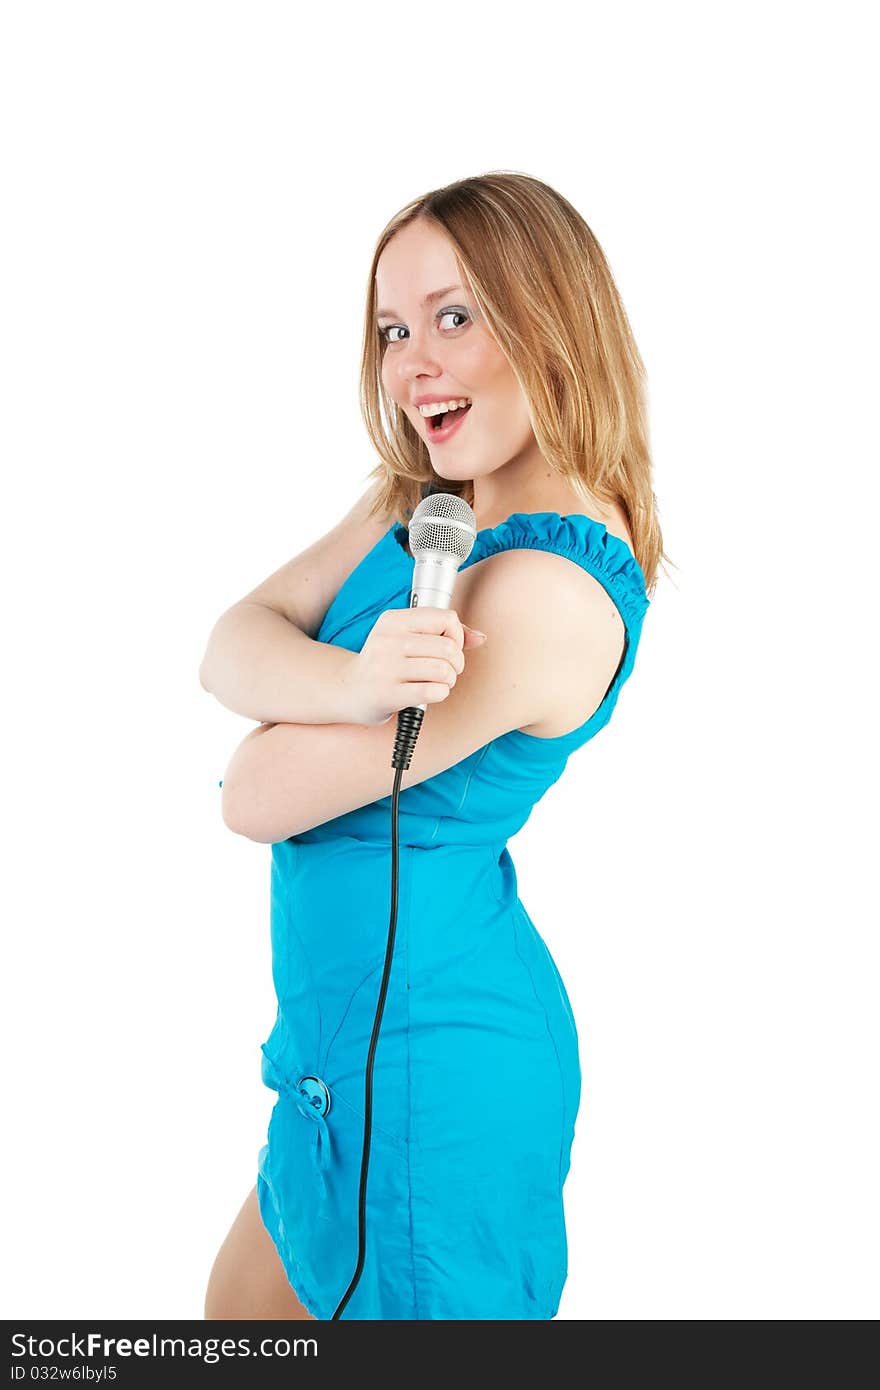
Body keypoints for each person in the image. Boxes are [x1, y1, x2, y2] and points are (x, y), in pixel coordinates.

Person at [199, 171, 669, 1320]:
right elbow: (227, 643)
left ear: (551, 320)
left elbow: (254, 789)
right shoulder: (424, 497)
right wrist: (358, 681)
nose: (412, 362)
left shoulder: (546, 592)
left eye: (453, 317)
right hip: (336, 1043)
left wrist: (315, 695)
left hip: (435, 1076)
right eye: (392, 329)